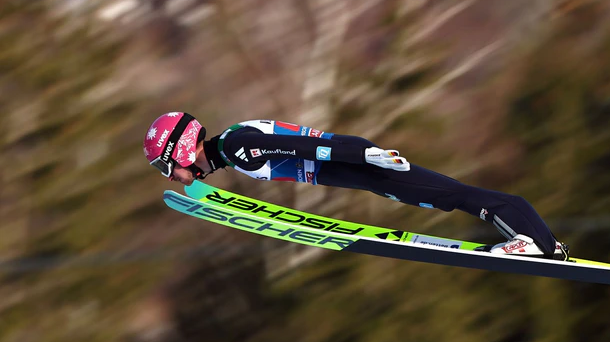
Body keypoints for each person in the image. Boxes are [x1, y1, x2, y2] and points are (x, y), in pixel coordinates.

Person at [143, 112, 569, 259]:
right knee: (449, 196)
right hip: (364, 174)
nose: (172, 177)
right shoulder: (234, 147)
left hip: (366, 166)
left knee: (453, 194)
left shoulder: (238, 146)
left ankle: (532, 240)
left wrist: (367, 155)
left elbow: (312, 145)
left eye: (167, 168)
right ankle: (543, 243)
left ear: (180, 152)